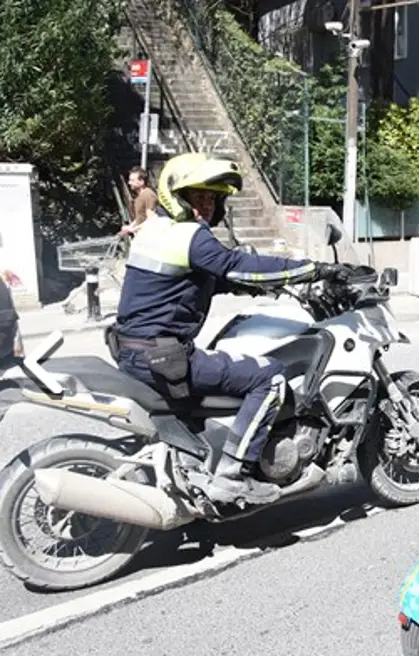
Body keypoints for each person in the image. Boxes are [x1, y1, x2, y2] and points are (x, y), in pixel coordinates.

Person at [108, 152, 351, 506]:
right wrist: (313, 270)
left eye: (212, 197)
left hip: (135, 349)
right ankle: (233, 475)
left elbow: (198, 280)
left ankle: (199, 461)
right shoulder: (190, 236)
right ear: (176, 196)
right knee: (269, 377)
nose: (206, 205)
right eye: (198, 196)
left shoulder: (156, 231)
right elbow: (234, 264)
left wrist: (252, 286)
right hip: (161, 354)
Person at [121, 166, 158, 237]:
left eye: (132, 180)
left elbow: (152, 220)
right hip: (142, 236)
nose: (129, 183)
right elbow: (140, 218)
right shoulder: (139, 197)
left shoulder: (148, 195)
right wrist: (130, 227)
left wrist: (134, 229)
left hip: (150, 237)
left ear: (141, 182)